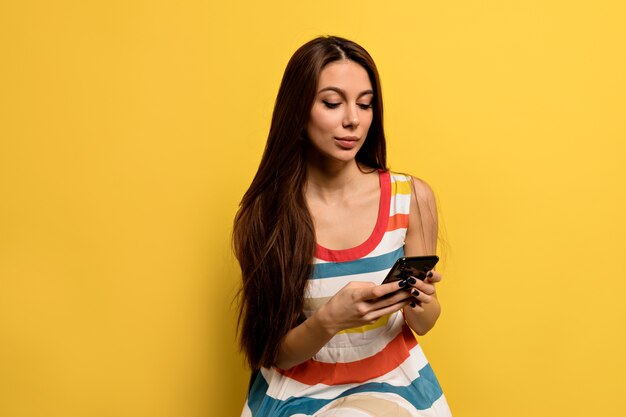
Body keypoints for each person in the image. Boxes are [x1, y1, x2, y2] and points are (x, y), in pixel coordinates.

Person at [233, 35, 452, 416]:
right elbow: (273, 353)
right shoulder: (268, 213)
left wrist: (422, 302)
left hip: (394, 383)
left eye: (365, 104)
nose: (353, 119)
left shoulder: (412, 197)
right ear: (298, 112)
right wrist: (330, 319)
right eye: (332, 103)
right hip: (299, 392)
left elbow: (425, 323)